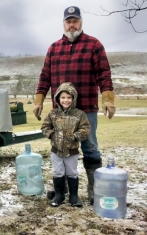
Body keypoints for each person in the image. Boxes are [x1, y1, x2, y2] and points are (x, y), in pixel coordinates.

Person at [33, 6, 116, 205]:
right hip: (59, 113)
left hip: (86, 108)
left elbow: (104, 74)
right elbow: (45, 77)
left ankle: (94, 190)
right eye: (68, 21)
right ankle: (62, 189)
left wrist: (108, 99)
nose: (72, 25)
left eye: (75, 21)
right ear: (63, 23)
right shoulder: (54, 48)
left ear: (81, 22)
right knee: (61, 148)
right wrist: (38, 101)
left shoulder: (94, 45)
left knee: (90, 148)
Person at [41, 82, 91, 207]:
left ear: (73, 98)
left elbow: (85, 129)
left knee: (72, 172)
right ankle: (59, 195)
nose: (66, 100)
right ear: (58, 98)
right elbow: (45, 127)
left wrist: (75, 137)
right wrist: (52, 135)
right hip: (56, 150)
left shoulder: (79, 114)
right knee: (58, 172)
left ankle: (74, 196)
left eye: (69, 97)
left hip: (72, 150)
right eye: (63, 97)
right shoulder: (53, 114)